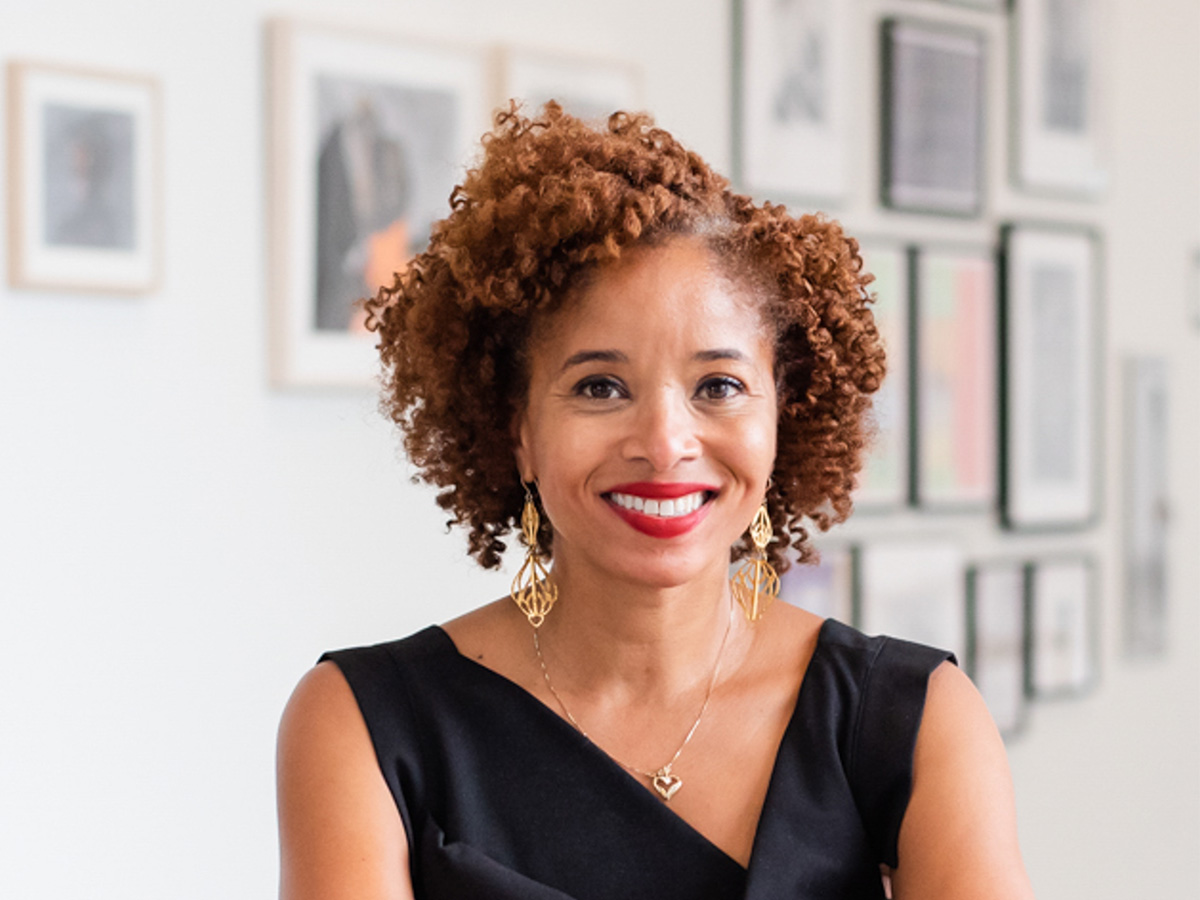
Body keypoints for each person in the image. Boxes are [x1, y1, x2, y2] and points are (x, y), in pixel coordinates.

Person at [277, 103, 1034, 900]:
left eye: (719, 386)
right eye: (599, 386)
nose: (665, 442)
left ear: (785, 415)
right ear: (518, 430)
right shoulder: (362, 726)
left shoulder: (914, 722)